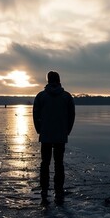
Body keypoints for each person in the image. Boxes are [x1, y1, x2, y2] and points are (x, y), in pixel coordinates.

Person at [32, 71, 75, 204]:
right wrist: (67, 131)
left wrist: (39, 130)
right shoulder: (67, 97)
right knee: (59, 163)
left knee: (45, 163)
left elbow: (35, 115)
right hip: (60, 135)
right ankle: (59, 189)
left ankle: (45, 189)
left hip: (45, 135)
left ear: (48, 80)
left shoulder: (41, 96)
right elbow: (71, 116)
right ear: (59, 80)